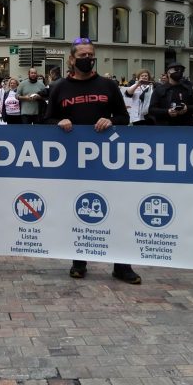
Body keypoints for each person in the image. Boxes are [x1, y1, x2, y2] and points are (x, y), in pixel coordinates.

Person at [44, 38, 141, 285]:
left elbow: (123, 117)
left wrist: (111, 121)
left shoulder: (108, 86)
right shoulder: (59, 87)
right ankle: (79, 261)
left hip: (108, 160)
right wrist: (59, 123)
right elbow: (46, 121)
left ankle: (122, 264)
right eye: (83, 55)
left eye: (91, 54)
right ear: (72, 59)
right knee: (79, 210)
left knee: (117, 211)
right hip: (73, 161)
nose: (88, 59)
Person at [148, 62, 193, 127]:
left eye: (181, 70)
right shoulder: (159, 89)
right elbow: (152, 110)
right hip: (165, 128)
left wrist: (187, 108)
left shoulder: (187, 89)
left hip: (185, 127)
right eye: (176, 69)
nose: (179, 71)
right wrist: (167, 112)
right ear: (168, 73)